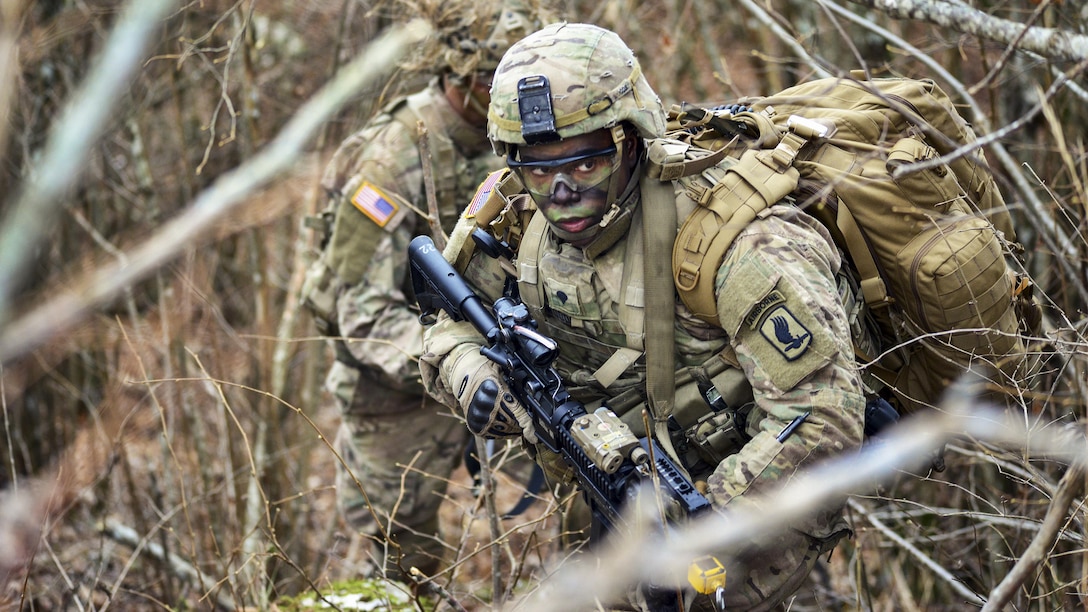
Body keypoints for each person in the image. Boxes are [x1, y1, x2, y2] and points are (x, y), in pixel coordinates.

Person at [419, 22, 867, 610]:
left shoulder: (738, 242)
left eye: (584, 166)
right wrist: (468, 371)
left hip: (742, 525)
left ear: (632, 139)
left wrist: (705, 521)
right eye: (539, 171)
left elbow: (823, 421)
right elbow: (446, 318)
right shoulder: (512, 210)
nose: (560, 196)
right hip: (600, 506)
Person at [299, 0, 553, 582]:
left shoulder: (520, 137)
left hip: (509, 369)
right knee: (402, 555)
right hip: (397, 395)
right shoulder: (391, 157)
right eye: (500, 80)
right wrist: (454, 364)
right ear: (464, 75)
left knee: (587, 500)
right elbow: (356, 310)